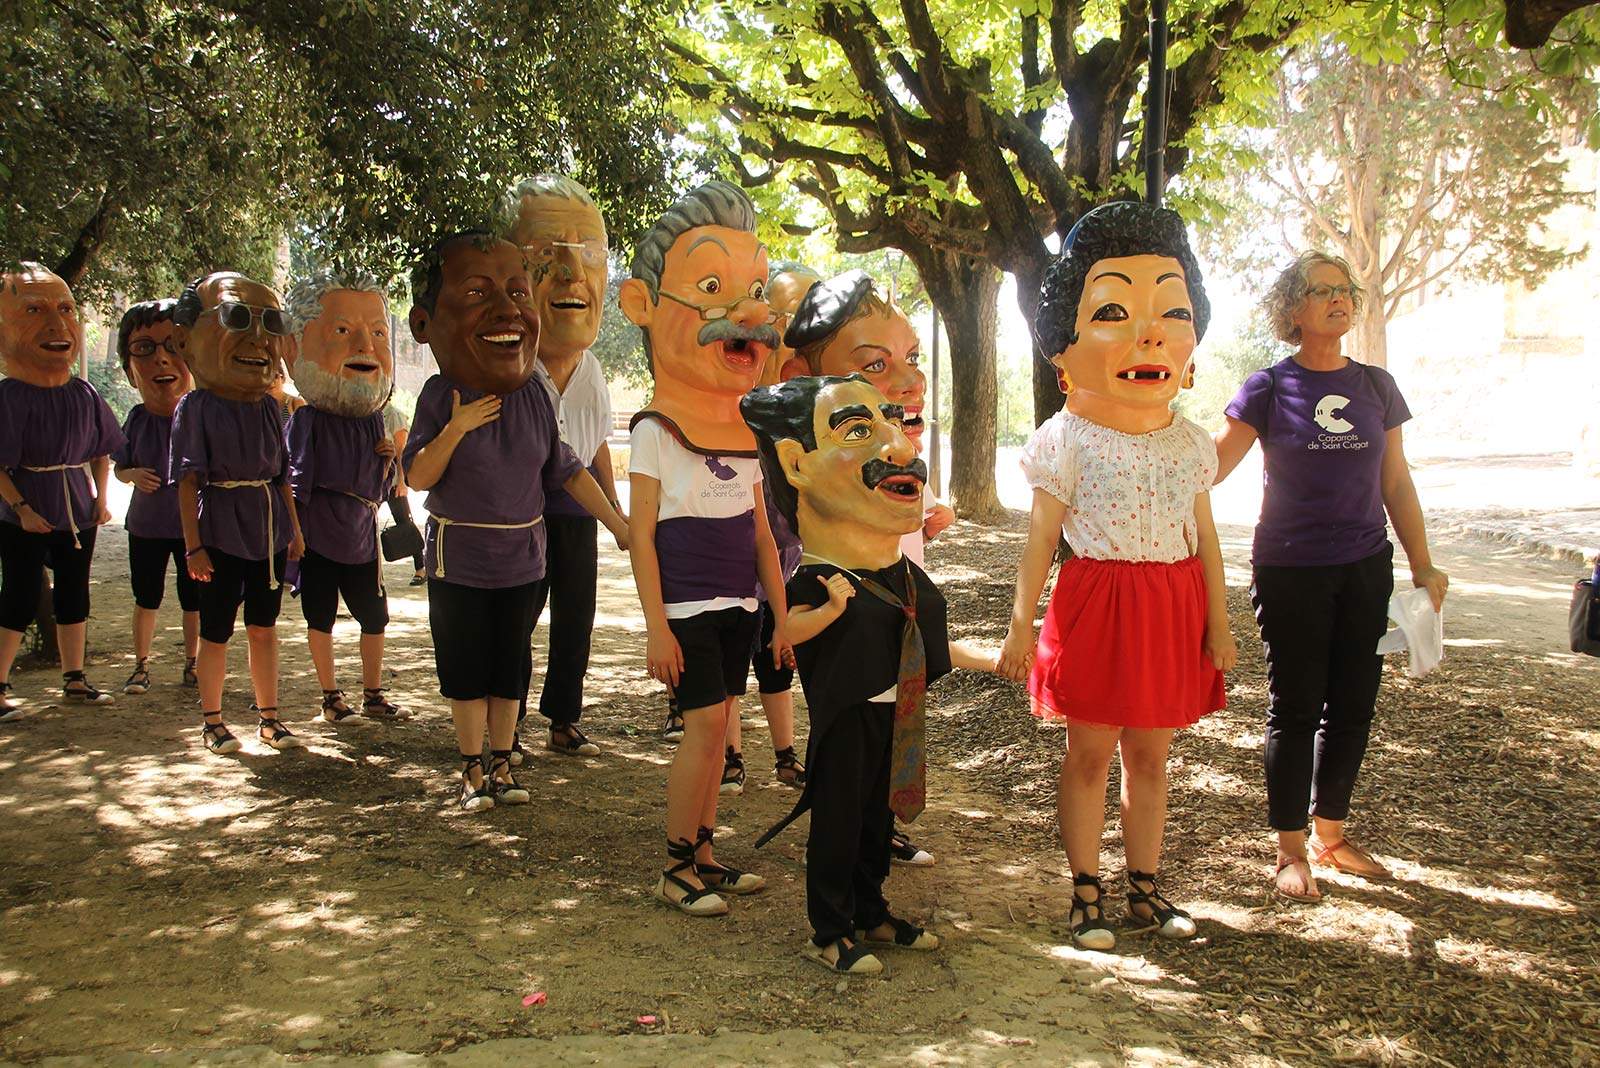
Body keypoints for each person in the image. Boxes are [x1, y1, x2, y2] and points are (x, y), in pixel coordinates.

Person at [997, 202, 1235, 950]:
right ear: (1061, 355)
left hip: (1171, 602)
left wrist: (1220, 624)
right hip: (1096, 601)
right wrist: (1019, 623)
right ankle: (1084, 892)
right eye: (1113, 310)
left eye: (1172, 309)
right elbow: (1040, 542)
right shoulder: (1062, 440)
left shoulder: (1190, 443)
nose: (1150, 330)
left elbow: (1207, 541)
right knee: (1090, 752)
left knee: (1152, 757)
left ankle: (1145, 889)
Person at [743, 374, 998, 974]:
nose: (904, 449)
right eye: (860, 430)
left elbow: (928, 643)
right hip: (848, 716)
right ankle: (829, 927)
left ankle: (871, 909)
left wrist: (1002, 660)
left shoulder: (898, 574)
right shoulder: (821, 577)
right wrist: (830, 609)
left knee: (877, 818)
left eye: (895, 425)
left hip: (898, 715)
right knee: (838, 819)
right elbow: (789, 634)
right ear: (795, 464)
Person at [1214, 251, 1448, 903]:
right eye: (1321, 291)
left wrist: (1422, 561)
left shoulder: (1377, 386)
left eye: (1345, 290)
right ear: (1292, 310)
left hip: (1366, 564)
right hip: (1290, 567)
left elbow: (1395, 481)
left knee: (1353, 704)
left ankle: (1332, 834)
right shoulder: (1267, 388)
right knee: (1295, 706)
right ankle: (1290, 852)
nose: (1338, 299)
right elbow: (1212, 465)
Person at [402, 231, 628, 812]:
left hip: (522, 560)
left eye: (516, 292)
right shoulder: (439, 395)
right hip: (461, 562)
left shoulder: (532, 393)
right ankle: (471, 770)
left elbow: (570, 470)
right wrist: (457, 428)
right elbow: (419, 476)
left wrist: (620, 527)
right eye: (479, 293)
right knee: (465, 666)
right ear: (425, 323)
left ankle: (503, 765)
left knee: (511, 663)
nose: (507, 311)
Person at [618, 180, 791, 915]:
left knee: (723, 727)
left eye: (751, 289)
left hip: (740, 603)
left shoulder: (746, 431)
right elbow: (642, 539)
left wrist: (780, 615)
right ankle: (676, 864)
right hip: (688, 604)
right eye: (715, 287)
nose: (746, 312)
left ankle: (708, 851)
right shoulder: (655, 432)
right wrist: (656, 625)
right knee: (703, 732)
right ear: (643, 306)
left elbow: (758, 529)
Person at [781, 269, 956, 863]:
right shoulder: (814, 468)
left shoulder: (899, 447)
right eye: (876, 366)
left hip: (892, 581)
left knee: (890, 726)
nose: (910, 381)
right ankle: (838, 871)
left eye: (911, 358)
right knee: (851, 729)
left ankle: (876, 840)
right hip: (848, 591)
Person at [503, 174, 621, 760]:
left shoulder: (593, 367)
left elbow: (595, 443)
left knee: (576, 620)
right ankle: (512, 718)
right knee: (521, 620)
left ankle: (563, 718)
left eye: (591, 253)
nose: (573, 272)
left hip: (579, 514)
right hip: (526, 515)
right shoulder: (511, 369)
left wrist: (614, 511)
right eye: (547, 254)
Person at [170, 271, 307, 754]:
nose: (258, 336)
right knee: (216, 631)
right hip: (220, 534)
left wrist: (292, 529)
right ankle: (213, 721)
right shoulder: (196, 407)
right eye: (237, 317)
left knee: (264, 628)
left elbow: (281, 475)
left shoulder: (271, 408)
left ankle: (270, 719)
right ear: (187, 339)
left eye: (271, 322)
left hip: (268, 533)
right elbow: (187, 483)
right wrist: (194, 547)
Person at [0, 263, 123, 717]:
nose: (56, 325)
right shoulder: (9, 397)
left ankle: (75, 679)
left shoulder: (84, 393)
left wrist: (101, 500)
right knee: (18, 595)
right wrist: (22, 508)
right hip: (24, 516)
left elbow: (101, 451)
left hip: (76, 512)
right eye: (34, 310)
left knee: (75, 594)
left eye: (66, 309)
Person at [283, 271, 404, 723]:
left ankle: (373, 693)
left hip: (360, 536)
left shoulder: (375, 419)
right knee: (321, 616)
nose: (364, 345)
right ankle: (331, 696)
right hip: (317, 535)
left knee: (375, 616)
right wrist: (294, 536)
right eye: (342, 330)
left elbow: (381, 487)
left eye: (377, 332)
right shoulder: (308, 421)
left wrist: (390, 459)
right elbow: (294, 484)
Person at [111, 298, 200, 695]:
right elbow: (119, 466)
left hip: (192, 528)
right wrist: (131, 474)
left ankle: (192, 664)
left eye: (174, 346)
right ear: (130, 368)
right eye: (146, 349)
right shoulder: (137, 419)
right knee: (145, 597)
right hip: (146, 525)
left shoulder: (201, 418)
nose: (162, 360)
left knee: (193, 599)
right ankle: (141, 666)